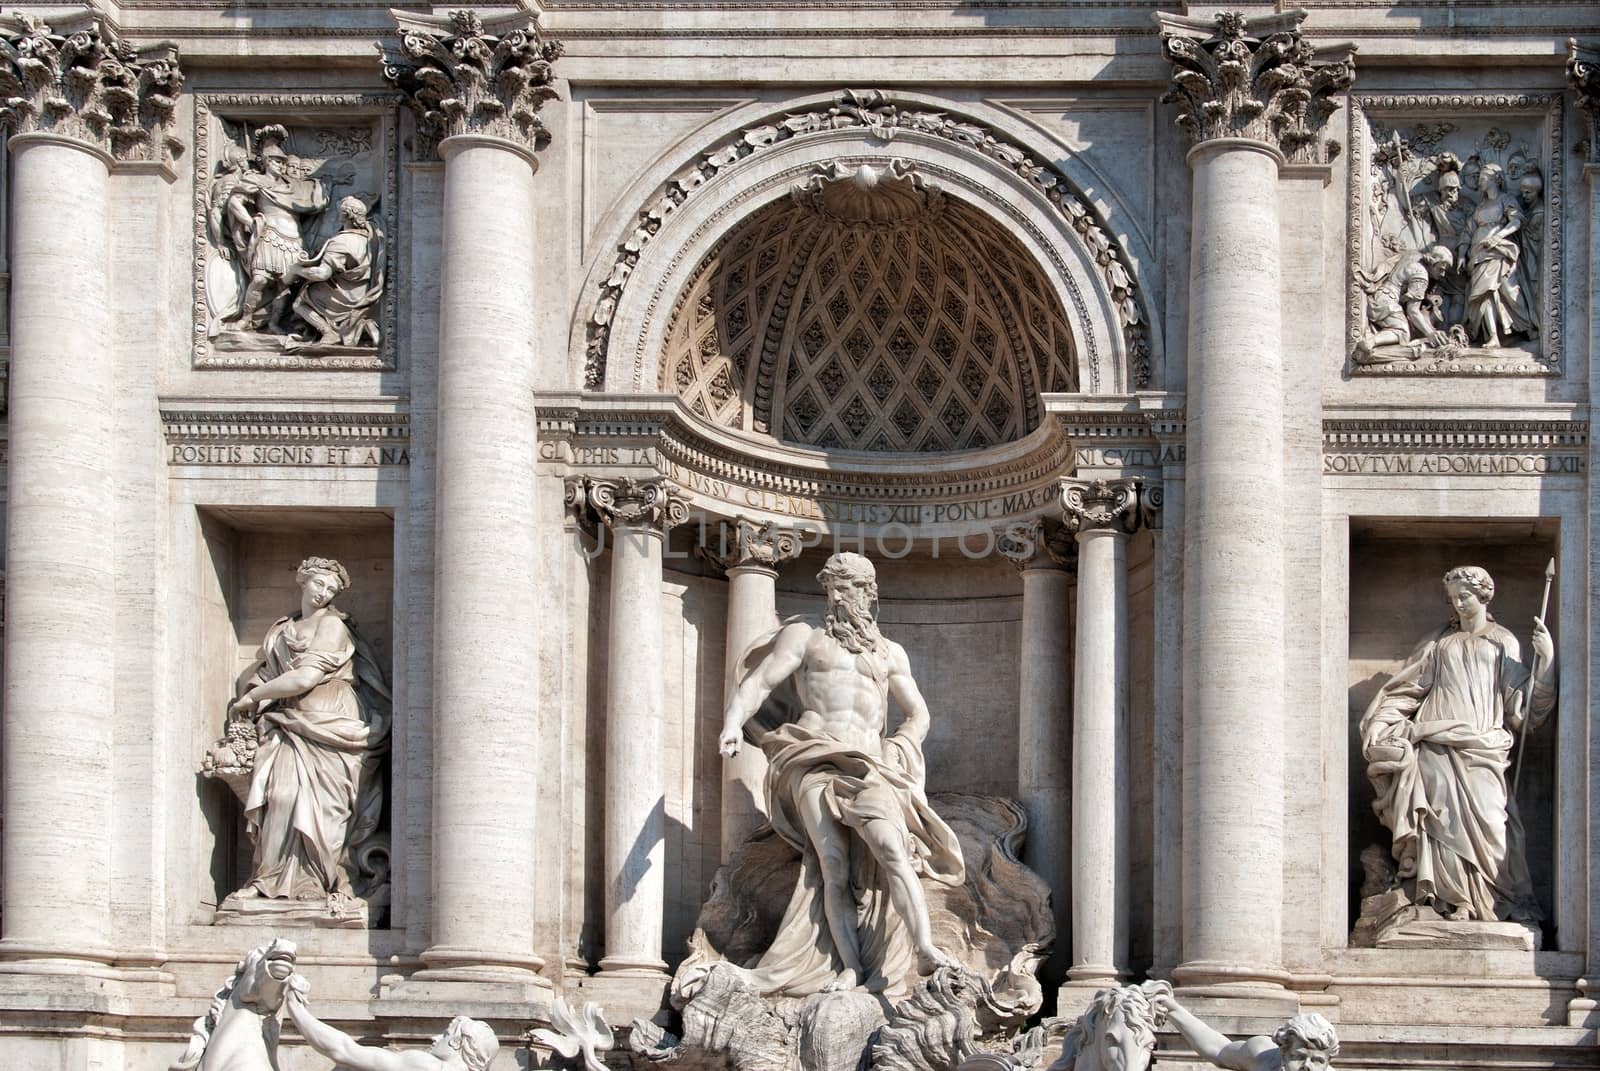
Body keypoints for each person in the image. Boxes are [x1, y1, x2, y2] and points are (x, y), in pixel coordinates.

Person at [719, 552, 963, 996]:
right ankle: (850, 966)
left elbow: (919, 714)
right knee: (832, 865)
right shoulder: (805, 636)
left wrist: (900, 748)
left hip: (870, 765)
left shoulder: (891, 653)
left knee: (892, 850)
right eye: (831, 586)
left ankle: (924, 946)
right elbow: (759, 682)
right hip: (812, 758)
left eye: (846, 586)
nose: (836, 594)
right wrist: (734, 723)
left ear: (868, 592)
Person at [1359, 566, 1555, 924]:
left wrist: (1546, 663)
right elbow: (1410, 690)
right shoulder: (1440, 645)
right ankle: (1450, 901)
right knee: (1442, 821)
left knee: (1493, 821)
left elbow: (1523, 708)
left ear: (1484, 595)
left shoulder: (1503, 642)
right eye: (1453, 598)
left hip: (1483, 744)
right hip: (1436, 742)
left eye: (1465, 595)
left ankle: (1489, 900)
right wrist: (1382, 720)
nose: (1459, 603)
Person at [225, 557, 390, 904]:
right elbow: (271, 673)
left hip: (328, 720)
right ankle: (270, 879)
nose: (324, 593)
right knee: (281, 798)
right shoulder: (283, 628)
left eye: (331, 589)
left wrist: (254, 697)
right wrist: (257, 690)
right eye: (319, 584)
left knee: (322, 808)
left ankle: (315, 883)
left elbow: (305, 677)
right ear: (303, 580)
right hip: (289, 720)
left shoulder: (333, 627)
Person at [227, 125, 331, 332]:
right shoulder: (256, 180)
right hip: (269, 235)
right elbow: (234, 203)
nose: (282, 166)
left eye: (284, 162)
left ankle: (274, 323)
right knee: (259, 279)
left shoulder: (292, 185)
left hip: (293, 239)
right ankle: (246, 318)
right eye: (277, 161)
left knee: (285, 286)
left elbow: (312, 199)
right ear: (266, 161)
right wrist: (249, 222)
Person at [285, 979, 497, 1071]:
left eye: (444, 1035)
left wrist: (296, 1009)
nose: (434, 1038)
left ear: (457, 1042)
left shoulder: (427, 1066)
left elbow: (344, 1050)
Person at [285, 195, 385, 347]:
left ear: (345, 215)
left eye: (339, 212)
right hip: (364, 292)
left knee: (299, 302)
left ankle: (328, 333)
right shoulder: (370, 238)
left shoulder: (341, 242)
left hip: (346, 298)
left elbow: (322, 274)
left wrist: (297, 269)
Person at [1153, 993, 1339, 1071]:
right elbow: (1218, 1049)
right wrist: (1174, 1011)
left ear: (1328, 1061)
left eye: (1317, 1060)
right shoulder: (1262, 1056)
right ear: (1282, 1051)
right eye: (1298, 1057)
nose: (1307, 1067)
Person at [1461, 163, 1526, 348]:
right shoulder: (1480, 206)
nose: (1479, 182)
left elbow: (1516, 222)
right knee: (1484, 294)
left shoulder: (1506, 199)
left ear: (1494, 180)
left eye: (1482, 179)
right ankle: (1492, 336)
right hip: (1478, 253)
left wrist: (1497, 238)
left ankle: (1515, 330)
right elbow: (1468, 230)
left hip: (1497, 251)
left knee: (1493, 290)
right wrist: (1461, 254)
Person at [1354, 245, 1454, 363]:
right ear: (1432, 262)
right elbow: (1413, 311)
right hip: (1387, 303)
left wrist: (1427, 298)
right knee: (1403, 332)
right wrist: (1431, 333)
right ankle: (1370, 342)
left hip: (1380, 296)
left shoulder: (1413, 257)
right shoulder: (1421, 275)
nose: (1442, 274)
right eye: (1440, 269)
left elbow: (1402, 284)